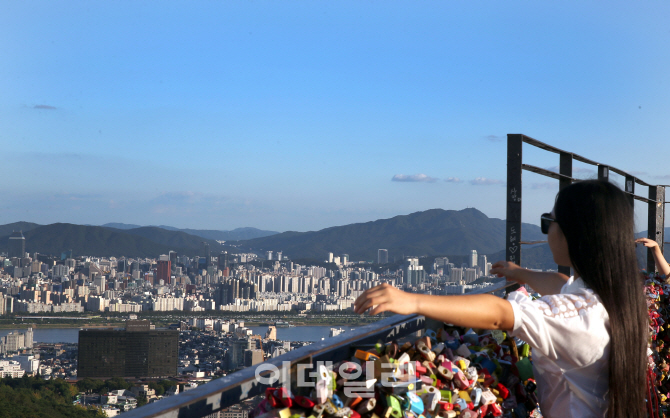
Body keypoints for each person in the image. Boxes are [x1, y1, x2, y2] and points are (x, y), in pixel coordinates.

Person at [353, 180, 647, 418]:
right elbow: (562, 286)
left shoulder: (578, 318)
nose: (547, 231)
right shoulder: (618, 296)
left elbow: (500, 314)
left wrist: (413, 301)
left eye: (549, 222)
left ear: (575, 234)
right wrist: (522, 273)